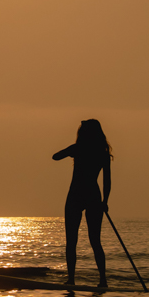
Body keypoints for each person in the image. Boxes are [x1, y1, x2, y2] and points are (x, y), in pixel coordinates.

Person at [52, 119, 112, 287]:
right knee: (95, 241)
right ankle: (103, 280)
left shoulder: (77, 149)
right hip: (94, 196)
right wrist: (105, 201)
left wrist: (71, 150)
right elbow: (107, 181)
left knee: (72, 241)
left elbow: (55, 156)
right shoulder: (102, 153)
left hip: (76, 195)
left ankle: (71, 279)